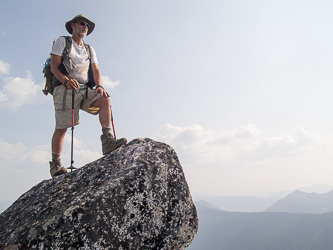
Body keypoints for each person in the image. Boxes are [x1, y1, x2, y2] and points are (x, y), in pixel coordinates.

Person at [49, 14, 127, 178]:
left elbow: (95, 69)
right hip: (65, 88)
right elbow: (54, 67)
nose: (85, 27)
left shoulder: (89, 49)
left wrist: (99, 86)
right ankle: (56, 164)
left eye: (87, 26)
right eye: (82, 24)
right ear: (73, 25)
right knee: (63, 127)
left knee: (105, 98)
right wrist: (65, 81)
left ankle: (107, 141)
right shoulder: (62, 42)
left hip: (84, 88)